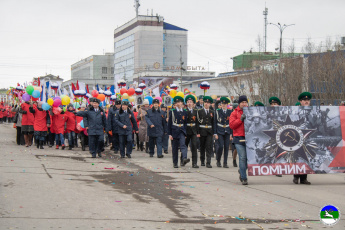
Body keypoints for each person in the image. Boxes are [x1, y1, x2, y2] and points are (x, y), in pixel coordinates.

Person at [293, 92, 312, 185]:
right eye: (304, 100)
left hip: (308, 137)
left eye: (308, 100)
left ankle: (304, 178)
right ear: (300, 101)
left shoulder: (313, 111)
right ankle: (296, 176)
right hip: (297, 137)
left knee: (306, 157)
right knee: (297, 157)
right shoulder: (296, 111)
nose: (306, 102)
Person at [230, 95, 249, 185]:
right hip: (238, 138)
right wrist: (240, 119)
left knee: (249, 159)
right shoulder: (234, 113)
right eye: (242, 102)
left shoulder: (251, 111)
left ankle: (241, 171)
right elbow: (232, 125)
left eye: (245, 102)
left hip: (249, 138)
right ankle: (244, 178)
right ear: (239, 104)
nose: (244, 104)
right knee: (242, 157)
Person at [168, 95, 190, 168]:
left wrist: (186, 132)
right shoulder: (172, 112)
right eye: (177, 102)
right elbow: (169, 124)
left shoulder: (184, 112)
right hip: (174, 131)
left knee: (183, 145)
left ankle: (184, 158)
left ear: (182, 103)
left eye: (180, 102)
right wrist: (169, 134)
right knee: (175, 148)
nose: (178, 103)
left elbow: (186, 123)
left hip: (182, 131)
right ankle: (175, 162)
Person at [214, 97, 232, 168]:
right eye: (222, 104)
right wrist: (215, 133)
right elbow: (215, 122)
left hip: (227, 131)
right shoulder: (217, 111)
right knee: (221, 146)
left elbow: (231, 123)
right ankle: (218, 160)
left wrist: (231, 134)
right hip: (220, 131)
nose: (223, 105)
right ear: (221, 104)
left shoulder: (230, 112)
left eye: (225, 104)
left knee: (226, 147)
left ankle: (225, 162)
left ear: (227, 105)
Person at [197, 96, 214, 168]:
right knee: (202, 147)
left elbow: (213, 123)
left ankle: (208, 162)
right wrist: (198, 132)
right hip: (202, 131)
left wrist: (214, 132)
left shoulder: (212, 112)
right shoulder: (200, 111)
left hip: (209, 132)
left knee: (209, 147)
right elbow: (197, 122)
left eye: (208, 103)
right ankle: (202, 161)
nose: (206, 104)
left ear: (210, 104)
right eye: (205, 102)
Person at [185, 95, 199, 168]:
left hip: (193, 130)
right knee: (185, 146)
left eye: (190, 102)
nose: (189, 103)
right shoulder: (184, 111)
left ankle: (194, 163)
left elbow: (197, 122)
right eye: (188, 102)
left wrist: (198, 132)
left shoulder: (196, 111)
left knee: (194, 146)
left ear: (193, 103)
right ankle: (182, 160)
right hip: (187, 130)